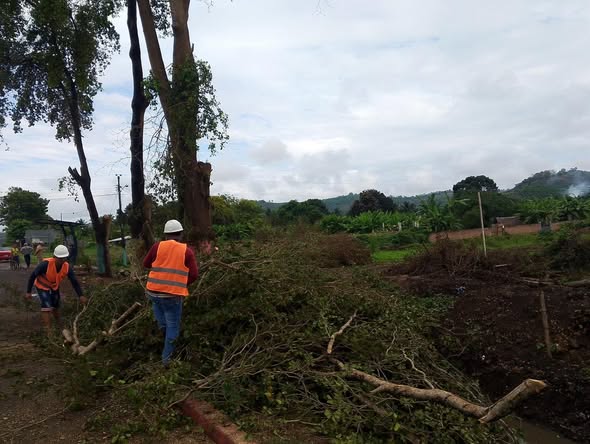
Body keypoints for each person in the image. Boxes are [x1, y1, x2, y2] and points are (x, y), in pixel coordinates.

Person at [143, 219, 198, 364]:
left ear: (166, 235)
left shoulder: (157, 247)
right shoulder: (186, 251)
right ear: (181, 234)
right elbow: (194, 275)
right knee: (173, 327)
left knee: (163, 321)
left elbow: (146, 264)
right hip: (172, 296)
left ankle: (163, 338)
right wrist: (180, 283)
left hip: (153, 292)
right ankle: (166, 361)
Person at [25, 245, 87, 335]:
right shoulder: (45, 265)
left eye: (64, 258)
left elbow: (74, 281)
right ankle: (48, 330)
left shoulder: (67, 267)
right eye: (60, 258)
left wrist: (81, 295)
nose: (62, 260)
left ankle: (59, 323)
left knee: (56, 304)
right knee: (46, 305)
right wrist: (28, 292)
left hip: (54, 286)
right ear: (54, 257)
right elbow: (32, 276)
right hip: (42, 285)